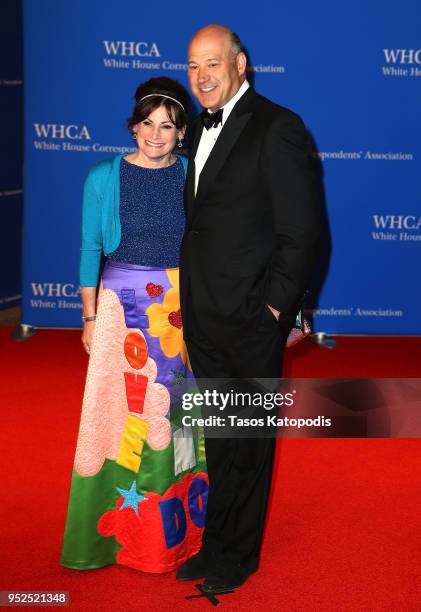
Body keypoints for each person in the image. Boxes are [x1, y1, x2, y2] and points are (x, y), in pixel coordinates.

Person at [177, 25, 322, 593]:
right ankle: (215, 544)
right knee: (221, 436)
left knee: (249, 442)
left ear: (241, 64)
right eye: (193, 67)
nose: (203, 76)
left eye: (213, 64)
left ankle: (238, 556)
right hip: (204, 315)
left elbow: (302, 232)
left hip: (251, 318)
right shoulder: (195, 132)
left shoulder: (277, 126)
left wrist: (274, 311)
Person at [61, 77, 208, 574]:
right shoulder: (104, 176)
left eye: (167, 125)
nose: (156, 134)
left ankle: (177, 533)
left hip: (178, 311)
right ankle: (115, 534)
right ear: (133, 126)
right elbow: (88, 250)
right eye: (147, 123)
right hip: (121, 312)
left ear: (182, 131)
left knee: (178, 418)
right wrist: (89, 316)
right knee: (118, 417)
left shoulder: (191, 173)